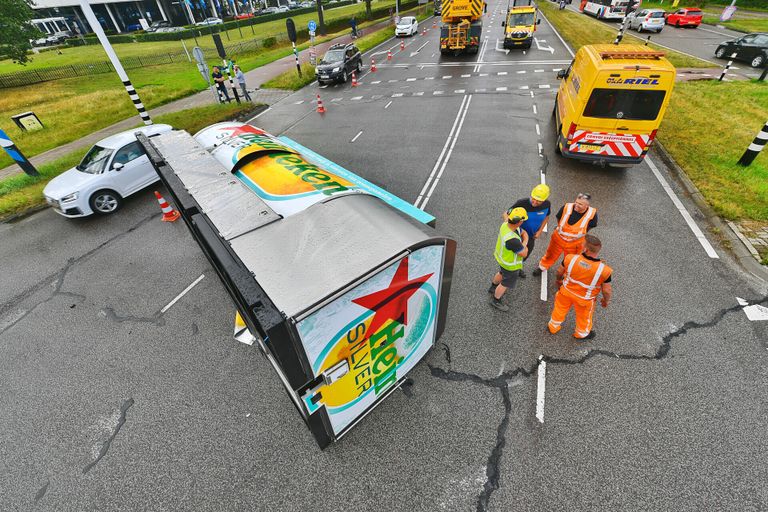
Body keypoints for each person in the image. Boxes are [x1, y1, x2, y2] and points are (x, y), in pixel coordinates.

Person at [547, 234, 612, 340]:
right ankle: (581, 334)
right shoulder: (605, 270)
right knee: (584, 317)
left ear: (585, 249)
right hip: (585, 299)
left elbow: (559, 271)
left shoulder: (570, 258)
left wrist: (558, 280)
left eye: (582, 244)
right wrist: (606, 300)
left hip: (566, 292)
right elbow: (607, 290)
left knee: (559, 309)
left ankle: (553, 326)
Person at [533, 192, 597, 276]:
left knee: (570, 260)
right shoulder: (567, 207)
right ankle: (542, 267)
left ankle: (565, 274)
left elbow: (591, 225)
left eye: (580, 204)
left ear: (587, 206)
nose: (576, 205)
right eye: (576, 202)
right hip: (559, 238)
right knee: (550, 254)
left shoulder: (592, 213)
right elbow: (559, 217)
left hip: (575, 243)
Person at [488, 207, 529, 312]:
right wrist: (525, 242)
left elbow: (523, 232)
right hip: (510, 265)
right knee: (505, 283)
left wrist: (523, 237)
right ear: (519, 222)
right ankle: (496, 300)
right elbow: (524, 253)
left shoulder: (505, 225)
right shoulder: (513, 241)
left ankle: (493, 287)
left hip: (502, 260)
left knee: (501, 273)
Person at [509, 184, 551, 278]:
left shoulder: (547, 204)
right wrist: (509, 230)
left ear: (544, 200)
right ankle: (506, 271)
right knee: (512, 254)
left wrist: (540, 231)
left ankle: (518, 267)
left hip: (531, 236)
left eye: (538, 201)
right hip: (517, 235)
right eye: (533, 198)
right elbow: (507, 214)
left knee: (525, 254)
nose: (535, 202)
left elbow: (547, 217)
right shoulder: (522, 203)